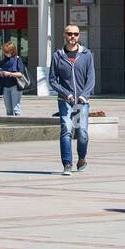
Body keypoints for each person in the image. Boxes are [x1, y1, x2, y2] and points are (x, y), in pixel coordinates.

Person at [48, 24, 95, 175]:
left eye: (75, 34)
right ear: (64, 35)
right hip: (65, 101)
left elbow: (91, 79)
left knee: (82, 133)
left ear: (79, 36)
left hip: (81, 102)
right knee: (67, 130)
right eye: (69, 34)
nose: (72, 37)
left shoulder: (86, 55)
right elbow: (52, 80)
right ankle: (67, 164)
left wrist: (84, 95)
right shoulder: (58, 55)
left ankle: (81, 158)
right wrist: (65, 93)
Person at [0, 41, 26, 116]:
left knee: (16, 109)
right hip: (5, 86)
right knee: (8, 110)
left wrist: (10, 74)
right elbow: (1, 73)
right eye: (5, 52)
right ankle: (10, 125)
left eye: (7, 52)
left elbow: (20, 74)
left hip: (15, 86)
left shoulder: (18, 59)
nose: (5, 53)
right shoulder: (5, 60)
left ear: (12, 51)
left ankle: (17, 125)